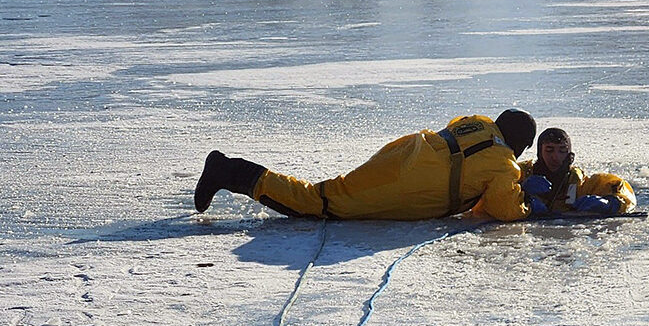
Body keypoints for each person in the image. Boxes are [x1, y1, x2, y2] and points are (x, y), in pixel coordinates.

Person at [194, 109, 544, 222]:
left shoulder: (479, 123)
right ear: (520, 143)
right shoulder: (504, 167)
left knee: (335, 190)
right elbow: (504, 207)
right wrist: (529, 202)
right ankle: (230, 171)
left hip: (408, 152)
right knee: (324, 203)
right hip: (409, 180)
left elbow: (475, 159)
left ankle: (231, 171)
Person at [518, 127, 636, 215]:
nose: (556, 157)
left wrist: (610, 204)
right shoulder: (520, 172)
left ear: (569, 154)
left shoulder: (578, 182)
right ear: (540, 152)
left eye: (562, 150)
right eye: (549, 150)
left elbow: (625, 193)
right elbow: (500, 189)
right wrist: (521, 190)